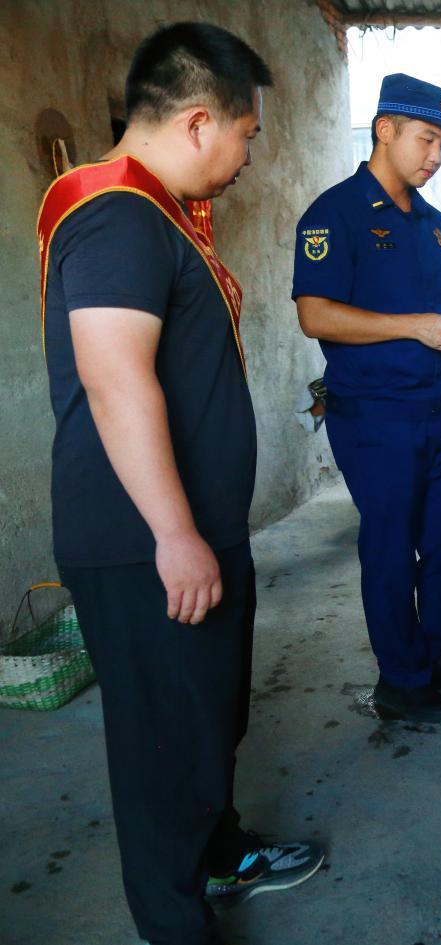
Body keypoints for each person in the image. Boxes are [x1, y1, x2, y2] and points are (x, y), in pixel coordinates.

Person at [37, 23, 323, 945]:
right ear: (199, 121)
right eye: (246, 134)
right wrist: (173, 532)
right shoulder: (116, 214)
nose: (247, 158)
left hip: (191, 528)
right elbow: (116, 379)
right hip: (142, 539)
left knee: (206, 717)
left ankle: (219, 852)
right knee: (162, 745)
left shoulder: (158, 215)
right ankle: (175, 923)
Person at [292, 74, 441, 725]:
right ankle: (400, 679)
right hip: (376, 417)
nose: (436, 156)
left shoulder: (435, 225)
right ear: (385, 129)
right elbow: (315, 314)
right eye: (427, 139)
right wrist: (413, 327)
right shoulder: (334, 214)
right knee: (391, 549)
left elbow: (431, 312)